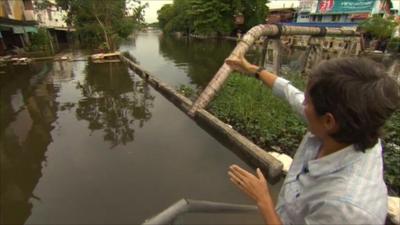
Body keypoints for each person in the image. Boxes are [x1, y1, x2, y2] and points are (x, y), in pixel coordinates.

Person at [225, 56, 400, 225]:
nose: (302, 104)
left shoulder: (345, 210)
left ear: (329, 121)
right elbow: (291, 95)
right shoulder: (357, 127)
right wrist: (255, 70)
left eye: (307, 102)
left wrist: (264, 201)